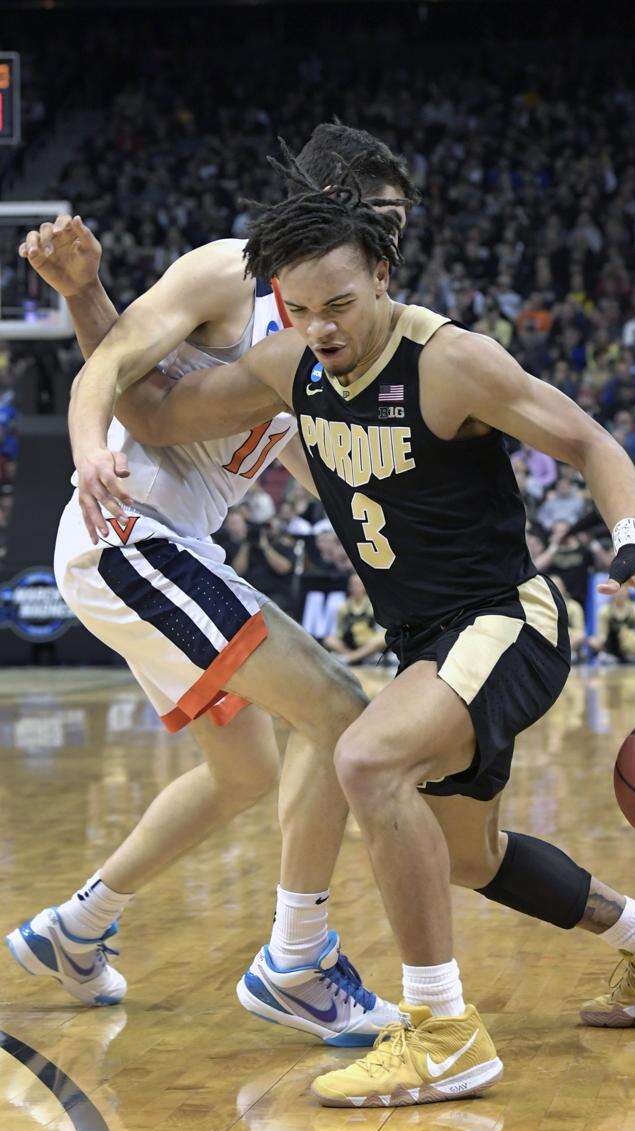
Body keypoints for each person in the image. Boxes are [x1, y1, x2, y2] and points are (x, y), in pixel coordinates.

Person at [87, 161, 635, 1108]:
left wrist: (633, 550)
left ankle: (442, 1032)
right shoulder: (289, 366)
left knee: (365, 758)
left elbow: (591, 442)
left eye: (340, 304)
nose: (323, 328)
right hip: (427, 643)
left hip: (505, 621)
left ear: (383, 274)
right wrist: (85, 294)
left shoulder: (451, 362)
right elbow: (148, 409)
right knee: (468, 858)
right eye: (302, 309)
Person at [6, 124, 418, 1049]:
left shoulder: (332, 322)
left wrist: (384, 546)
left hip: (168, 550)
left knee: (247, 772)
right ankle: (297, 962)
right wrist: (88, 453)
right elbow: (113, 366)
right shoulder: (231, 271)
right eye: (385, 217)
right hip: (129, 534)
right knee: (338, 712)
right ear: (334, 205)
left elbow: (312, 461)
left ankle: (76, 927)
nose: (397, 239)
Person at [324, 572, 386, 665]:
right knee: (329, 640)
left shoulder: (373, 605)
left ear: (364, 586)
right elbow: (339, 632)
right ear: (349, 587)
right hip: (349, 645)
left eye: (358, 585)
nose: (356, 588)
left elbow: (381, 630)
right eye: (353, 585)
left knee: (382, 639)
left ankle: (351, 658)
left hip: (368, 645)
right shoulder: (343, 607)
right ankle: (353, 656)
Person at [588, 589, 635, 664]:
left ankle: (634, 654)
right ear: (612, 594)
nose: (620, 594)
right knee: (592, 641)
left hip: (631, 642)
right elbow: (602, 634)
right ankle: (607, 654)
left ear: (627, 592)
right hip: (611, 643)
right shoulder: (605, 611)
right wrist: (607, 641)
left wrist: (634, 640)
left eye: (623, 591)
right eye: (617, 591)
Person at [549, 574, 586, 658]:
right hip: (550, 641)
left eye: (557, 586)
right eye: (551, 586)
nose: (554, 589)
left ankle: (565, 654)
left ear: (563, 588)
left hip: (569, 641)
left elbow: (580, 632)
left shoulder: (574, 606)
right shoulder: (542, 607)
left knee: (580, 636)